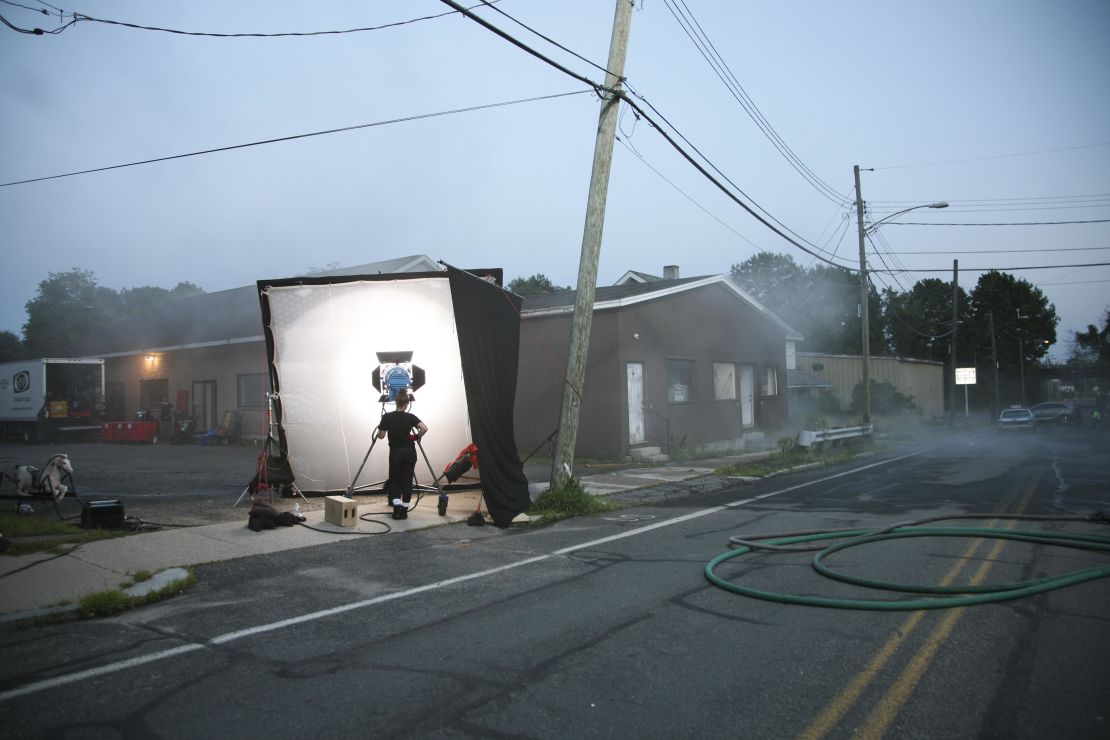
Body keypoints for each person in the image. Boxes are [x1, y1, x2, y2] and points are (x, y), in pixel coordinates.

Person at [376, 388, 428, 520]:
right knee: (407, 481)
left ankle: (396, 510)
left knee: (395, 481)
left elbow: (381, 436)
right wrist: (415, 437)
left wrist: (380, 431)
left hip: (396, 454)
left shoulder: (387, 417)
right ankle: (404, 511)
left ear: (396, 402)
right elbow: (424, 428)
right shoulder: (411, 417)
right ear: (407, 404)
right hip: (410, 453)